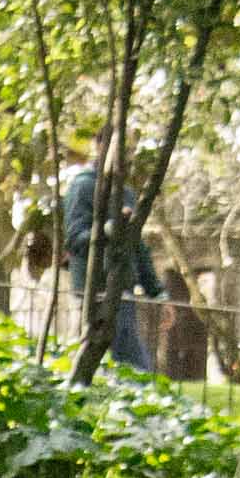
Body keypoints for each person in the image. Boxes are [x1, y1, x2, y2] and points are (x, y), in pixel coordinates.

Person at [61, 144, 162, 368]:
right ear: (101, 147)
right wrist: (108, 230)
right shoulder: (83, 187)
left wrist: (156, 290)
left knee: (132, 369)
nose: (126, 156)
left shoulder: (126, 194)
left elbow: (136, 245)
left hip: (123, 293)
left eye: (130, 150)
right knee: (106, 366)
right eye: (122, 149)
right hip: (92, 295)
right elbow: (75, 239)